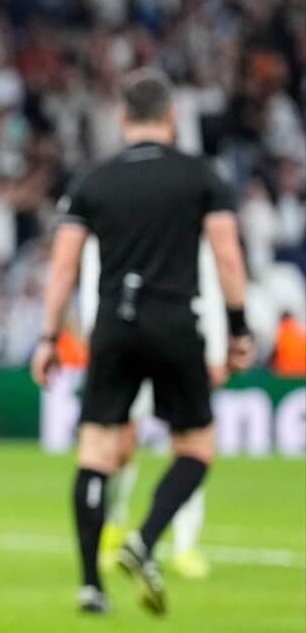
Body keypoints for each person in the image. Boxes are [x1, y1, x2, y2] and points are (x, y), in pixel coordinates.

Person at [32, 71, 255, 616]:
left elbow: (63, 266)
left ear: (122, 117)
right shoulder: (200, 177)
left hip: (114, 324)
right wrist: (238, 330)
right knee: (196, 447)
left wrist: (48, 336)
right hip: (176, 321)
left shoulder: (94, 181)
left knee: (96, 452)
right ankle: (145, 538)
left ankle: (91, 585)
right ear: (171, 117)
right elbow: (227, 258)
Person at [80, 237, 229, 581]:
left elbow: (209, 275)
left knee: (189, 445)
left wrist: (215, 348)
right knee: (119, 445)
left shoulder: (187, 216)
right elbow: (93, 271)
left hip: (177, 341)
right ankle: (113, 521)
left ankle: (185, 543)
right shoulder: (112, 217)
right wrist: (95, 336)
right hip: (125, 340)